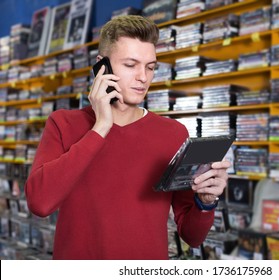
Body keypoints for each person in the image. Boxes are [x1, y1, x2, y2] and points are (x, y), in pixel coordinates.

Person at [25, 15, 230, 260]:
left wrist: (206, 202)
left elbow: (192, 236)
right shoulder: (63, 123)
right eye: (131, 65)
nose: (143, 77)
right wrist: (100, 128)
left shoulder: (174, 133)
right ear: (102, 67)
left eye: (151, 67)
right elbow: (40, 203)